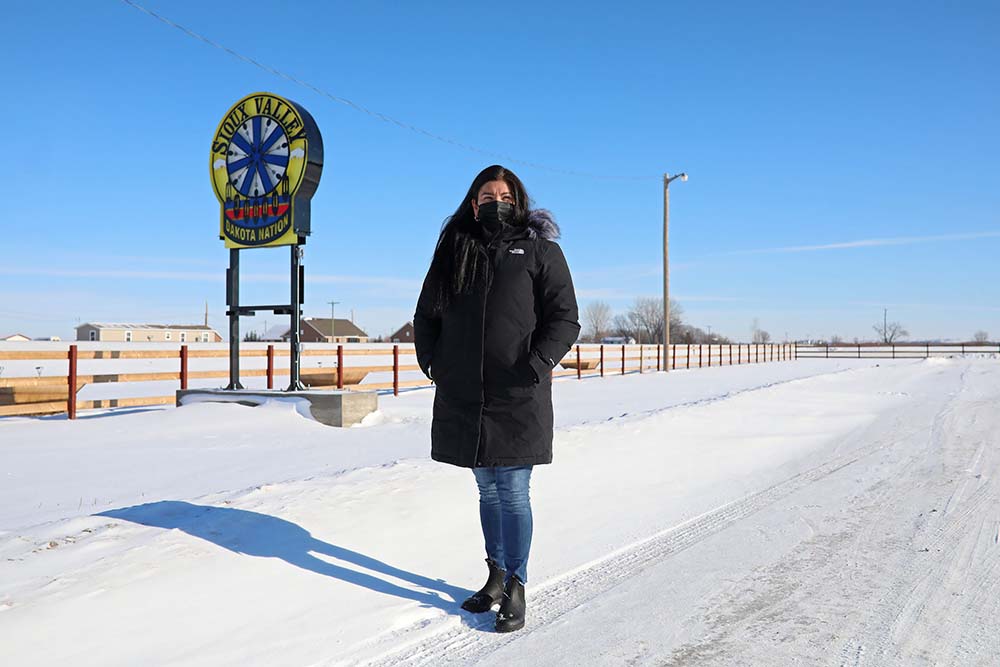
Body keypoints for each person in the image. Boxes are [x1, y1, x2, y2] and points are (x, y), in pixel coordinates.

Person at [414, 164, 580, 633]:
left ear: (518, 203)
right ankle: (495, 576)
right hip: (465, 393)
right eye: (488, 197)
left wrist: (535, 365)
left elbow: (565, 318)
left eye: (505, 197)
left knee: (512, 491)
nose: (496, 203)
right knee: (487, 488)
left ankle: (516, 584)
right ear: (473, 204)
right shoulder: (454, 251)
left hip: (517, 393)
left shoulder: (540, 251)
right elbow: (427, 314)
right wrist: (433, 363)